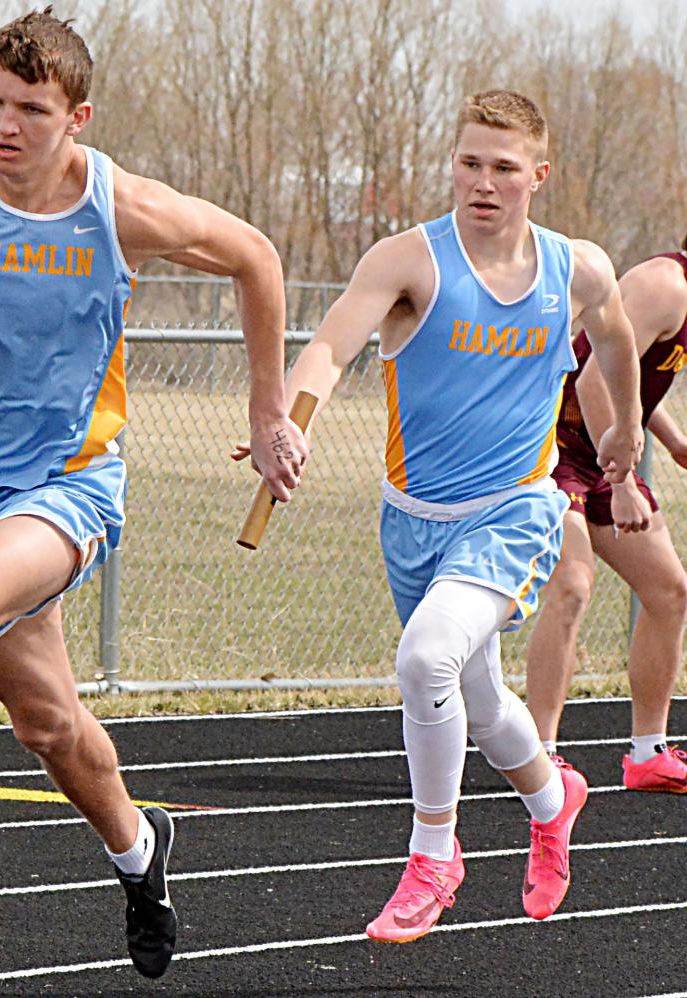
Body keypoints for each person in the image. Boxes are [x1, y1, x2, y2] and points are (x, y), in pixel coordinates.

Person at [0, 7, 307, 978]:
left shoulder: (118, 204)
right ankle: (139, 847)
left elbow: (257, 255)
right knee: (47, 722)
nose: (4, 125)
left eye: (30, 109)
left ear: (78, 115)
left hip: (71, 484)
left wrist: (268, 407)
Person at [236, 90, 643, 942]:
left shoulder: (580, 268)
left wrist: (623, 437)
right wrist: (282, 422)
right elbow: (331, 346)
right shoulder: (409, 259)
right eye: (468, 163)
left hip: (516, 510)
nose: (482, 183)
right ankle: (551, 794)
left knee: (424, 661)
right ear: (451, 164)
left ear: (538, 175)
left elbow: (615, 342)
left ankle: (434, 856)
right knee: (478, 693)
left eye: (502, 168)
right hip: (413, 519)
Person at [526, 244, 687, 791]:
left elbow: (627, 377)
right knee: (572, 585)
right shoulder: (667, 284)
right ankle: (540, 755)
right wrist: (621, 483)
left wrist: (674, 442)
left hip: (603, 448)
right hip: (552, 446)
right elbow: (594, 381)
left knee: (668, 590)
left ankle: (648, 753)